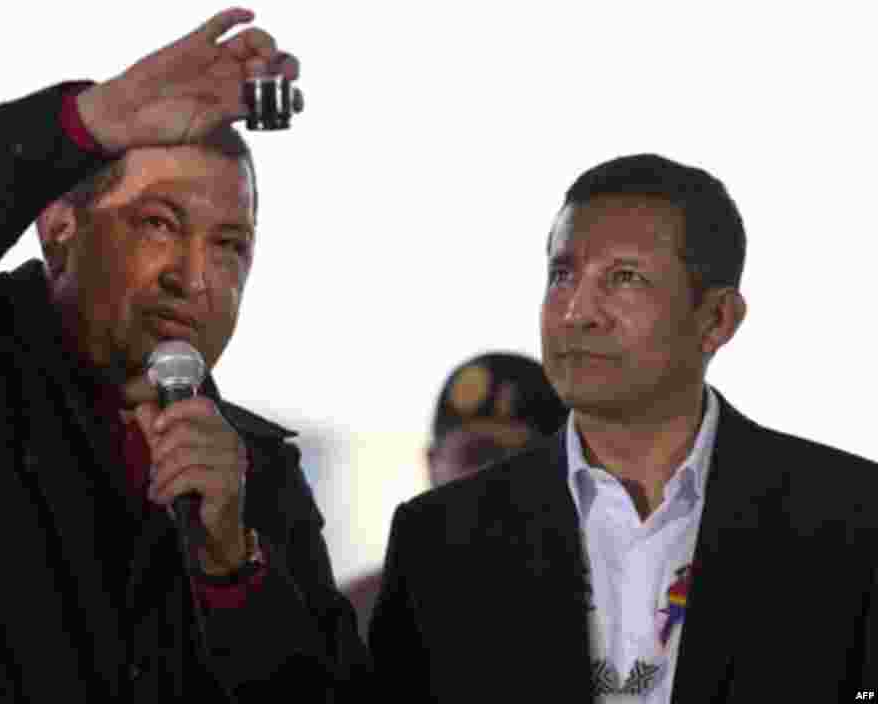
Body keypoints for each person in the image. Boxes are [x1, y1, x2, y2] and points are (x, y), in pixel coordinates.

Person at [0, 8, 368, 701]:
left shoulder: (256, 478)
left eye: (229, 245)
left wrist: (233, 571)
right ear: (60, 227)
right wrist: (83, 123)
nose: (194, 278)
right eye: (159, 223)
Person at [369, 153, 878, 701]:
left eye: (624, 277)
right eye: (562, 275)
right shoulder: (440, 542)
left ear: (717, 319)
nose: (577, 313)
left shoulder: (852, 522)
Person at [342, 352, 567, 641]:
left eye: (527, 461)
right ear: (432, 464)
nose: (496, 479)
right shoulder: (350, 622)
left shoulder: (617, 615)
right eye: (475, 455)